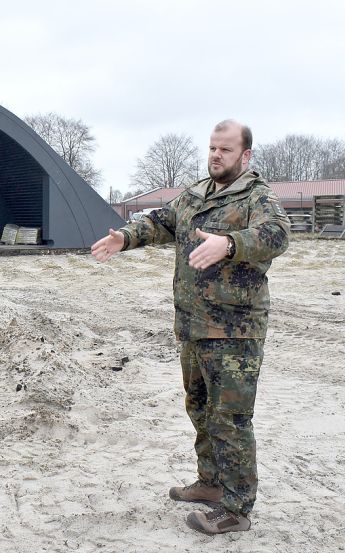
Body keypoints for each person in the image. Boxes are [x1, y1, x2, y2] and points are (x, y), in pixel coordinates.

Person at [91, 119, 290, 535]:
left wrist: (230, 244)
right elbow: (161, 221)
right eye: (213, 148)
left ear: (245, 155)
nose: (216, 155)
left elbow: (276, 235)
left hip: (235, 330)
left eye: (226, 150)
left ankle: (236, 508)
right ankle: (211, 485)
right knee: (199, 407)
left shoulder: (256, 197)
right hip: (195, 324)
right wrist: (124, 238)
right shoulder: (197, 194)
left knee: (230, 418)